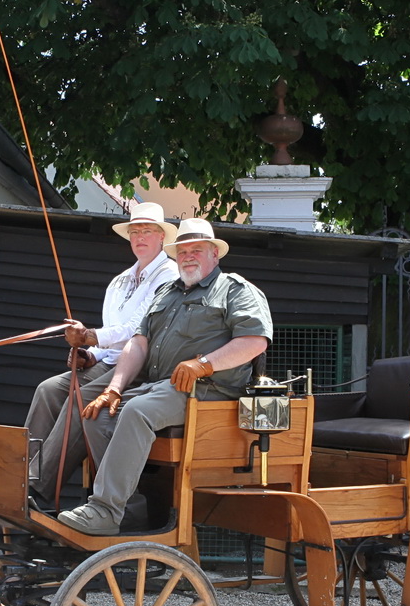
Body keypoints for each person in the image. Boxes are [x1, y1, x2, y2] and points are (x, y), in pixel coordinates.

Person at [56, 218, 273, 536]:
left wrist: (204, 364)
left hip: (211, 391)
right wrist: (114, 388)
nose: (188, 256)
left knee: (136, 412)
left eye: (196, 250)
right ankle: (131, 510)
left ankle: (104, 509)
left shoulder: (235, 290)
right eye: (182, 251)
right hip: (164, 386)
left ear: (215, 254)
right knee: (98, 411)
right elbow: (138, 342)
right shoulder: (166, 294)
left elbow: (255, 341)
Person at [24, 203, 179, 510]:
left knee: (79, 401)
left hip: (141, 365)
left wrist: (92, 336)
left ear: (161, 237)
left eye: (147, 231)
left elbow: (137, 331)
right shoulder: (120, 281)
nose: (140, 237)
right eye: (134, 231)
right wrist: (89, 354)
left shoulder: (169, 276)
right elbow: (111, 334)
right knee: (47, 390)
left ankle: (38, 489)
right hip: (107, 361)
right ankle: (22, 474)